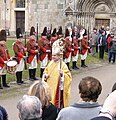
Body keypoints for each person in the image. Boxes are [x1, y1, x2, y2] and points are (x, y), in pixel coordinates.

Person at [42, 38, 72, 108]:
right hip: (50, 86)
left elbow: (68, 76)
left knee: (57, 101)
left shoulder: (63, 65)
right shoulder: (50, 63)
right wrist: (45, 75)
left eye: (55, 55)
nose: (53, 57)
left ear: (59, 56)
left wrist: (63, 75)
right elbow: (46, 71)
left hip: (58, 87)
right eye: (52, 55)